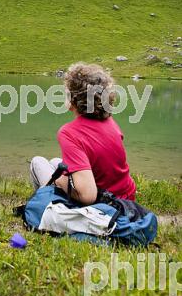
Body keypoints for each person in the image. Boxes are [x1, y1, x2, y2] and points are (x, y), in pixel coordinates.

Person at [30, 63, 136, 204]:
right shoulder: (111, 123)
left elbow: (87, 195)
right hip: (125, 201)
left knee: (38, 162)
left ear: (74, 99)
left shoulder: (69, 133)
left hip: (102, 208)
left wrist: (57, 179)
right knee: (56, 163)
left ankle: (46, 208)